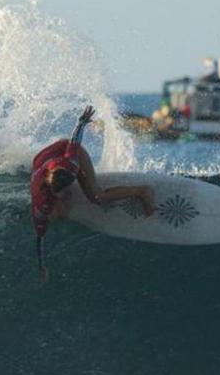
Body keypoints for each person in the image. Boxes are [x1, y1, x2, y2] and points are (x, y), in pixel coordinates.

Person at [31, 105, 154, 280]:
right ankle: (63, 202)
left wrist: (82, 123)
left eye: (67, 190)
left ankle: (142, 191)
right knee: (61, 212)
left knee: (96, 196)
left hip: (63, 152)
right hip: (44, 158)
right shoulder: (40, 201)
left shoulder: (71, 165)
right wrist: (42, 266)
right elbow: (40, 236)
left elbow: (74, 143)